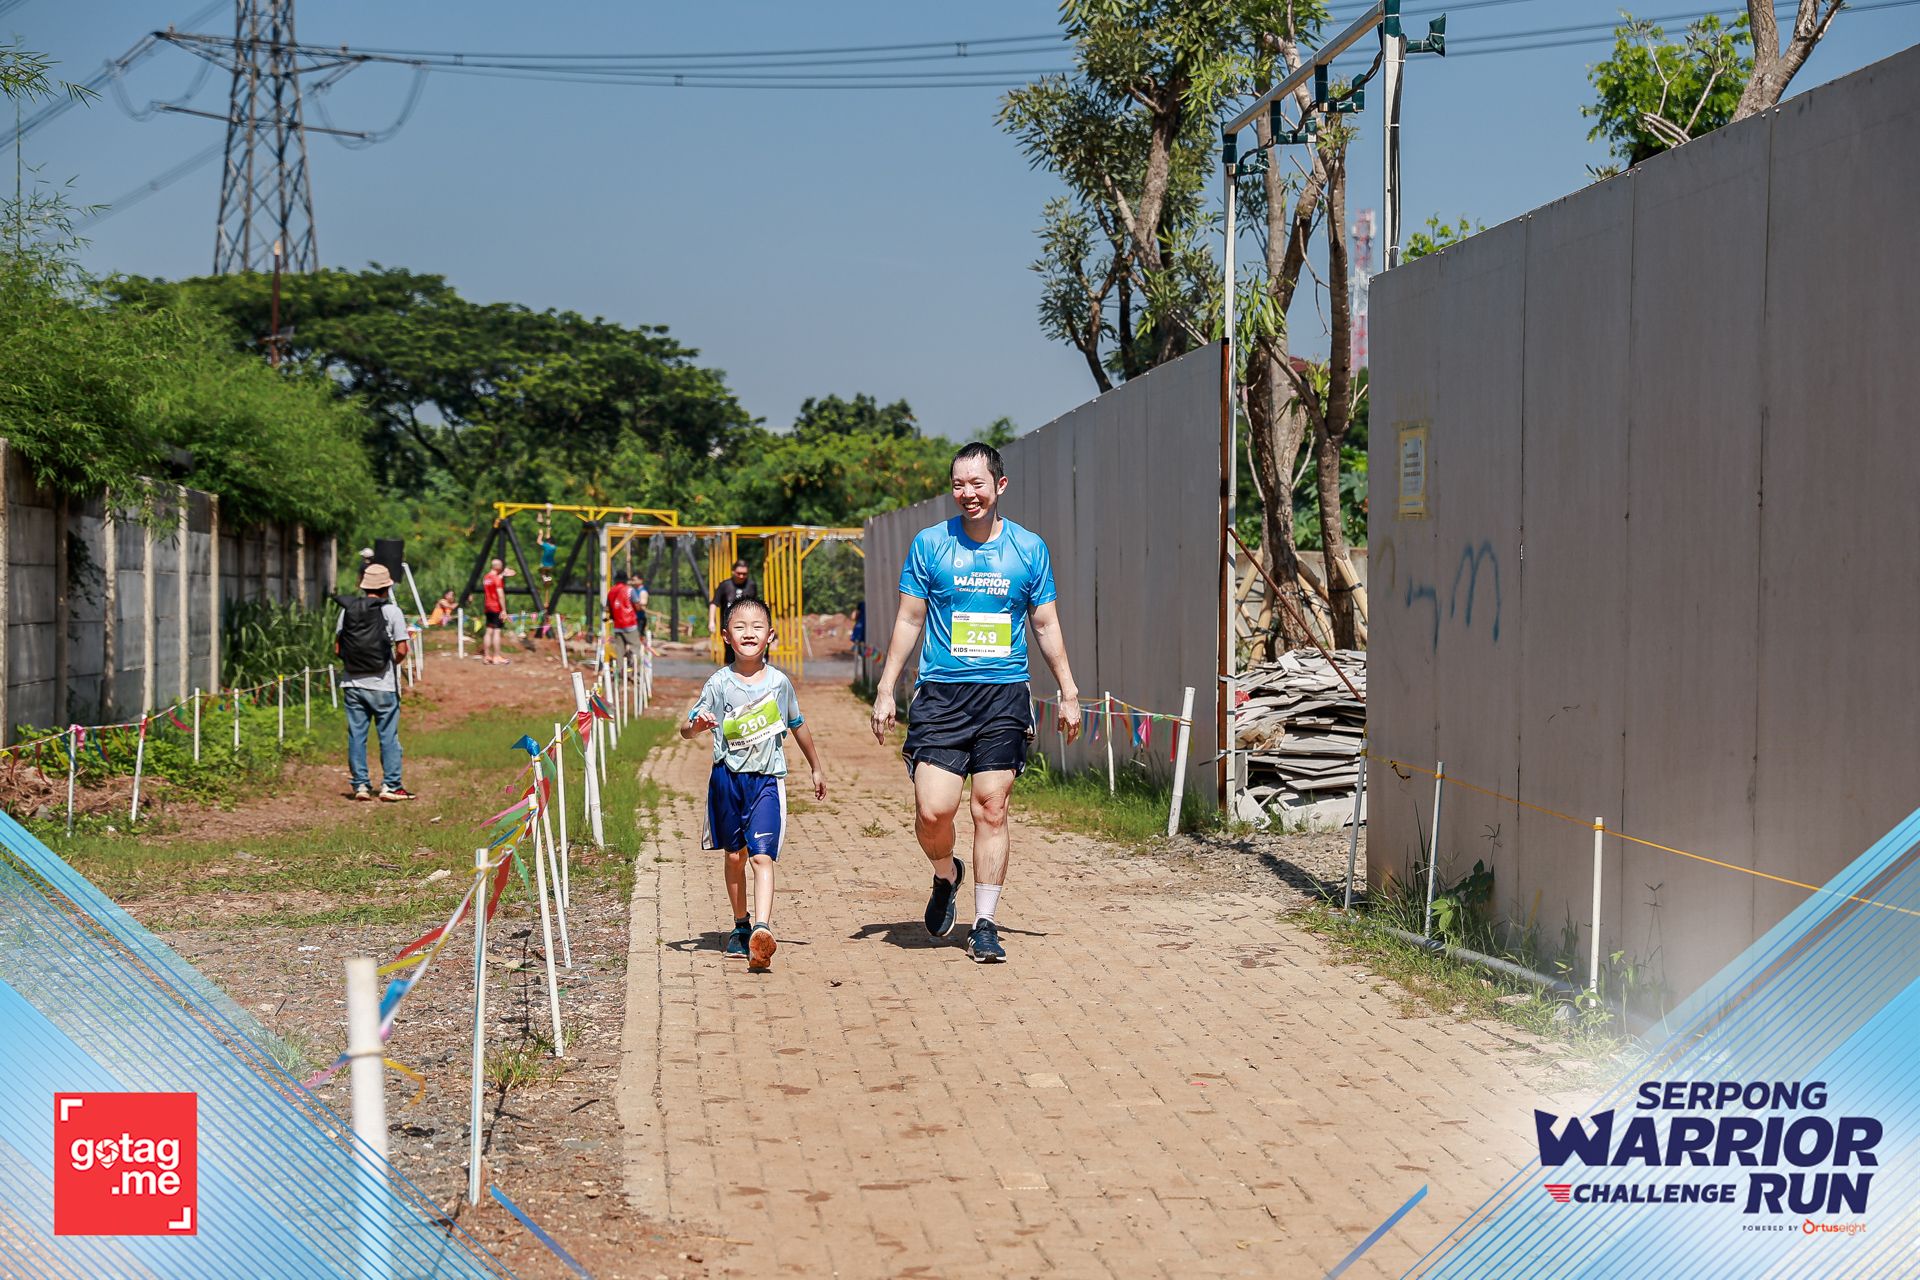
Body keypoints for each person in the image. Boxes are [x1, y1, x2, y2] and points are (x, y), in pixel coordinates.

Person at [869, 441, 1080, 964]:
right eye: (959, 484)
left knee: (991, 806)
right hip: (941, 694)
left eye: (978, 483)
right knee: (932, 811)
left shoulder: (1029, 549)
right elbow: (910, 619)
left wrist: (1069, 692)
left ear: (999, 486)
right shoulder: (930, 544)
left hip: (1003, 694)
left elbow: (1045, 623)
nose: (968, 493)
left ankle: (984, 923)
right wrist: (886, 686)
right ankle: (947, 875)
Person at [680, 598, 826, 972]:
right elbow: (686, 727)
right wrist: (697, 726)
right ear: (726, 636)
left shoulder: (779, 683)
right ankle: (741, 924)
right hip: (726, 781)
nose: (749, 633)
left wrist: (815, 767)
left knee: (762, 856)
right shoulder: (718, 683)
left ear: (770, 635)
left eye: (757, 626)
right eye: (740, 627)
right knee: (735, 856)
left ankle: (762, 929)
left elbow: (797, 724)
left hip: (766, 782)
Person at [335, 563, 415, 802]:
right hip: (383, 684)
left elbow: (338, 648)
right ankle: (391, 786)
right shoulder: (392, 612)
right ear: (386, 588)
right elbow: (402, 649)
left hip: (352, 683)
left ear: (364, 587)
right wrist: (391, 663)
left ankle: (360, 785)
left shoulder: (346, 611)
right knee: (388, 736)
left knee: (357, 736)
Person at [709, 558, 759, 665]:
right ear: (733, 571)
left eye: (744, 574)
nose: (741, 576)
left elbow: (756, 606)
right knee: (730, 654)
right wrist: (711, 622)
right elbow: (714, 603)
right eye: (739, 573)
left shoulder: (751, 585)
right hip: (729, 626)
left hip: (748, 626)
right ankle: (730, 674)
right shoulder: (725, 585)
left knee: (747, 654)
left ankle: (748, 674)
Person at [481, 558, 514, 665]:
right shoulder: (497, 579)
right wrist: (504, 610)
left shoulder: (486, 577)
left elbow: (493, 581)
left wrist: (503, 574)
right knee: (497, 631)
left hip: (488, 607)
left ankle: (486, 656)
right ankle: (496, 656)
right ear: (500, 567)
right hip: (496, 608)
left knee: (488, 631)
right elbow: (500, 595)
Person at [608, 570, 643, 662]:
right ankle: (635, 669)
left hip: (617, 625)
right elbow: (637, 607)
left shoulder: (611, 591)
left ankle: (619, 670)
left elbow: (607, 608)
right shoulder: (630, 590)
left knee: (620, 650)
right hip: (630, 624)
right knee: (635, 647)